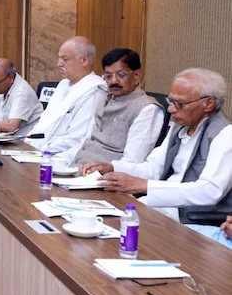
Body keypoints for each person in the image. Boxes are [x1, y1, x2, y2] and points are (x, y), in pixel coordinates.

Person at [82, 68, 232, 224]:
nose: (170, 109)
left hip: (190, 218)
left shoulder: (225, 134)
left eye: (179, 103)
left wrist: (146, 186)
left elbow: (210, 191)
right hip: (163, 205)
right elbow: (152, 169)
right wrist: (112, 168)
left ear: (208, 103)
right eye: (171, 101)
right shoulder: (180, 125)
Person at [68, 49, 164, 165]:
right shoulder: (106, 98)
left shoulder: (147, 108)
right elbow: (87, 142)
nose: (114, 81)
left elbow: (132, 162)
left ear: (137, 75)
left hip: (106, 173)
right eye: (108, 76)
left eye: (121, 74)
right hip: (77, 167)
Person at [27, 36, 106, 156]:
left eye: (65, 59)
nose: (59, 63)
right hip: (38, 151)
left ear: (84, 60)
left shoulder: (94, 91)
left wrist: (41, 149)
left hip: (63, 157)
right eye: (59, 58)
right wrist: (28, 143)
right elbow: (44, 121)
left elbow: (76, 139)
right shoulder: (63, 85)